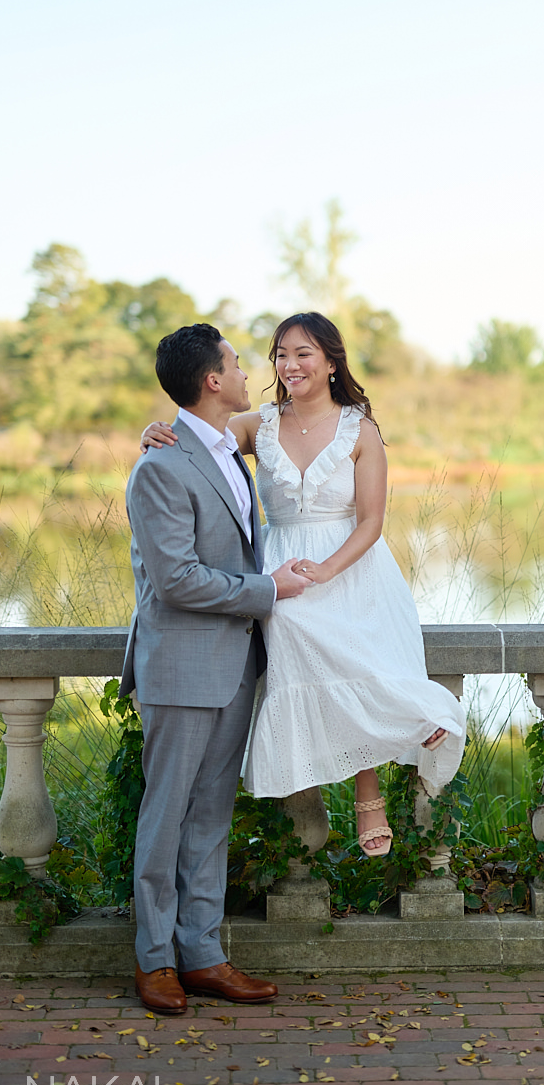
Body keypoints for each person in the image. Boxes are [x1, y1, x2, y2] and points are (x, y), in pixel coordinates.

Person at [142, 312, 467, 856]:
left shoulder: (360, 430)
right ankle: (375, 744)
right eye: (281, 355)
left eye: (303, 354)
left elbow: (371, 521)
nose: (289, 365)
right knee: (294, 623)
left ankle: (382, 772)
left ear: (331, 361)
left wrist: (330, 570)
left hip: (352, 562)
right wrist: (155, 432)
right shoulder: (259, 425)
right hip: (283, 561)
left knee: (354, 647)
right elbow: (199, 437)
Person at [121, 323, 311, 1015]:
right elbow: (176, 580)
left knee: (210, 817)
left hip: (236, 663)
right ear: (211, 379)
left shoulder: (233, 448)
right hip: (181, 665)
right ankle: (154, 961)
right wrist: (270, 592)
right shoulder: (159, 466)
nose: (246, 371)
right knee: (166, 815)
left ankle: (202, 954)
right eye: (235, 362)